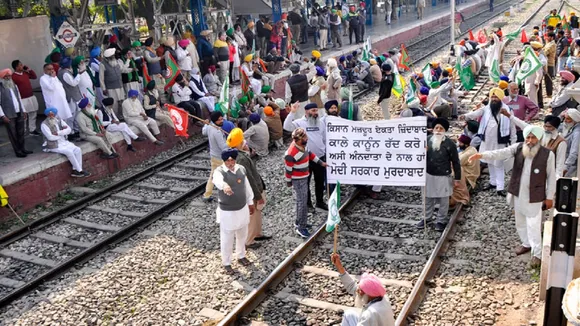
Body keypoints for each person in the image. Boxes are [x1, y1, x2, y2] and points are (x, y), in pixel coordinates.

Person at [469, 125, 556, 268]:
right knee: (520, 222)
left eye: (533, 137)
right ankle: (526, 244)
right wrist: (482, 155)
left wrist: (549, 197)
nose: (530, 140)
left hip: (535, 195)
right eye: (528, 137)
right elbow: (501, 153)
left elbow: (551, 177)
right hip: (518, 192)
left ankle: (537, 254)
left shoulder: (548, 154)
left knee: (533, 225)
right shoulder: (518, 148)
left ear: (539, 138)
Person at [462, 88, 516, 196]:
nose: (494, 99)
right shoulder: (487, 108)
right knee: (489, 161)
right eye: (493, 97)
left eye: (496, 97)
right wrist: (466, 116)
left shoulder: (507, 110)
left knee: (498, 164)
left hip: (500, 141)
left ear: (500, 98)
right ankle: (493, 182)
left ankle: (500, 187)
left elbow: (512, 126)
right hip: (487, 140)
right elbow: (476, 113)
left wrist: (513, 142)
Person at [212, 148, 255, 275]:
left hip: (241, 207)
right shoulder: (219, 172)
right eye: (227, 161)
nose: (230, 163)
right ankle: (226, 262)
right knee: (227, 237)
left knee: (242, 233)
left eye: (232, 160)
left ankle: (241, 255)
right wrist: (225, 186)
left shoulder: (241, 169)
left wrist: (250, 202)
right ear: (224, 161)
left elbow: (246, 186)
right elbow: (218, 181)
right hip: (228, 211)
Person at [226, 128, 271, 249]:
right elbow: (250, 179)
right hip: (250, 193)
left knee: (257, 215)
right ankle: (249, 240)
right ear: (239, 143)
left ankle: (257, 233)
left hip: (249, 191)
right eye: (243, 140)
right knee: (252, 215)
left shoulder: (238, 156)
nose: (245, 141)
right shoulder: (242, 159)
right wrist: (257, 195)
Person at [416, 118, 461, 231]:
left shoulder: (450, 144)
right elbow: (417, 157)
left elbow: (456, 162)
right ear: (433, 129)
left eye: (441, 128)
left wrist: (457, 179)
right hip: (428, 174)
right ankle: (426, 218)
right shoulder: (426, 141)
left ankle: (441, 220)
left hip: (444, 176)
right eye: (436, 128)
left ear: (444, 130)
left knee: (444, 200)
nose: (438, 130)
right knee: (427, 198)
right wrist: (422, 151)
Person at [284, 102, 328, 211]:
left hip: (319, 158)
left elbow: (324, 139)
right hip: (305, 159)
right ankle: (308, 204)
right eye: (313, 111)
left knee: (319, 181)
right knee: (306, 183)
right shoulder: (299, 123)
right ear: (306, 112)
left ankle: (320, 202)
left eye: (316, 110)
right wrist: (292, 112)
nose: (315, 113)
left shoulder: (320, 123)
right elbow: (287, 126)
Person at [284, 127, 328, 238]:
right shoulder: (291, 153)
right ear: (298, 140)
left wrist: (321, 163)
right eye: (304, 137)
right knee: (302, 203)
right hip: (298, 180)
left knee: (302, 201)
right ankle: (301, 228)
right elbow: (288, 169)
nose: (307, 138)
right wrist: (289, 182)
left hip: (304, 176)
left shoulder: (303, 146)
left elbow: (310, 154)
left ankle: (299, 222)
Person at [330, 253, 396, 326]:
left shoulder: (369, 315)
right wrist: (339, 266)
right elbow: (352, 287)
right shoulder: (382, 298)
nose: (358, 292)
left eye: (360, 290)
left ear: (367, 294)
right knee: (348, 314)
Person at [41, 107, 90, 177]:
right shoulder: (44, 124)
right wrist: (63, 133)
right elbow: (50, 137)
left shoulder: (59, 120)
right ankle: (80, 170)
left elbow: (69, 130)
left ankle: (75, 170)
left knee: (78, 150)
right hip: (54, 145)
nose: (51, 116)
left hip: (64, 142)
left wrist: (59, 133)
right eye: (50, 115)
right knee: (69, 152)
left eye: (53, 114)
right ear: (47, 115)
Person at [0, 68, 30, 157]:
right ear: (2, 77)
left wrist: (23, 110)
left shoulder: (14, 85)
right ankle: (18, 151)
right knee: (13, 134)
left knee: (21, 132)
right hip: (8, 114)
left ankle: (23, 149)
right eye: (6, 76)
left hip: (19, 111)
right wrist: (2, 116)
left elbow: (19, 98)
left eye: (9, 76)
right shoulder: (0, 87)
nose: (8, 78)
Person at [203, 111, 229, 202]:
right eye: (220, 120)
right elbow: (223, 147)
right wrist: (231, 142)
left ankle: (207, 194)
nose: (222, 121)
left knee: (213, 175)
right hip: (220, 157)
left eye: (222, 118)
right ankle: (227, 193)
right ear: (215, 120)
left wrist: (206, 124)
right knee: (227, 174)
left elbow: (204, 132)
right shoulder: (217, 132)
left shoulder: (210, 126)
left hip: (213, 155)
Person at [11, 60, 39, 135]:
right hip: (22, 99)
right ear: (16, 67)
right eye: (20, 65)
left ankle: (32, 130)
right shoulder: (13, 76)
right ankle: (23, 131)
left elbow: (34, 76)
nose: (22, 66)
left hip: (31, 96)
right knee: (24, 116)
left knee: (33, 113)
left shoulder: (25, 73)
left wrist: (29, 69)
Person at [57, 57, 83, 134]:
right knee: (72, 115)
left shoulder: (63, 71)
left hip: (73, 96)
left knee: (76, 113)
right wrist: (79, 74)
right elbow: (73, 83)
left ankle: (76, 129)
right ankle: (71, 131)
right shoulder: (65, 73)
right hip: (71, 97)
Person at [99, 48, 125, 119]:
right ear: (108, 57)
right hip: (111, 88)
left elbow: (122, 70)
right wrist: (103, 89)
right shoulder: (102, 64)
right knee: (114, 104)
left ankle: (121, 117)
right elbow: (101, 78)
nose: (113, 57)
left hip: (120, 85)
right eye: (112, 56)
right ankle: (114, 118)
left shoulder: (117, 62)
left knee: (121, 102)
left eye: (113, 56)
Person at [562, 109, 580, 177]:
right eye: (565, 118)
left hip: (571, 166)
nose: (565, 121)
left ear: (575, 120)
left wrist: (566, 167)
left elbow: (574, 152)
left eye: (568, 119)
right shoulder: (571, 127)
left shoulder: (577, 133)